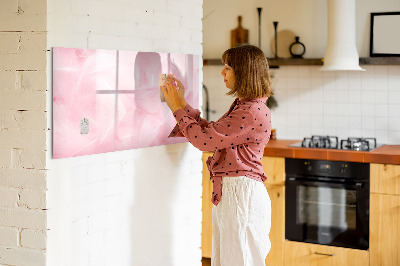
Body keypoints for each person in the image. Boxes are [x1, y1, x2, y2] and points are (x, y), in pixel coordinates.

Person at [161, 44, 273, 266]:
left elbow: (204, 141)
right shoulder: (246, 106)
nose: (222, 72)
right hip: (236, 193)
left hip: (241, 195)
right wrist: (182, 103)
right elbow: (212, 133)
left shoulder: (250, 111)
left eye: (228, 67)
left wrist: (176, 108)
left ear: (244, 72)